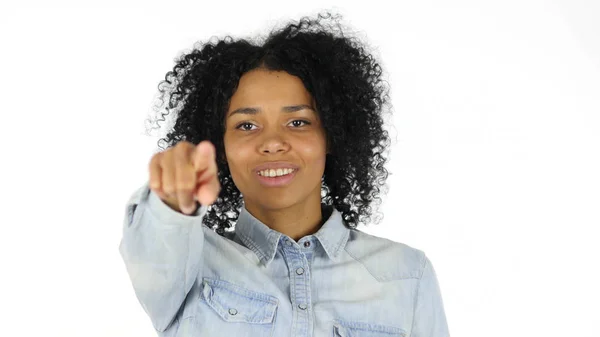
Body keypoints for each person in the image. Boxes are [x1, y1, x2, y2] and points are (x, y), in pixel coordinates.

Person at [118, 11, 450, 337]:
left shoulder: (407, 275)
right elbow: (156, 248)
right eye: (247, 125)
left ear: (331, 134)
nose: (273, 142)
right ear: (221, 145)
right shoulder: (188, 265)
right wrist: (173, 200)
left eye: (298, 122)